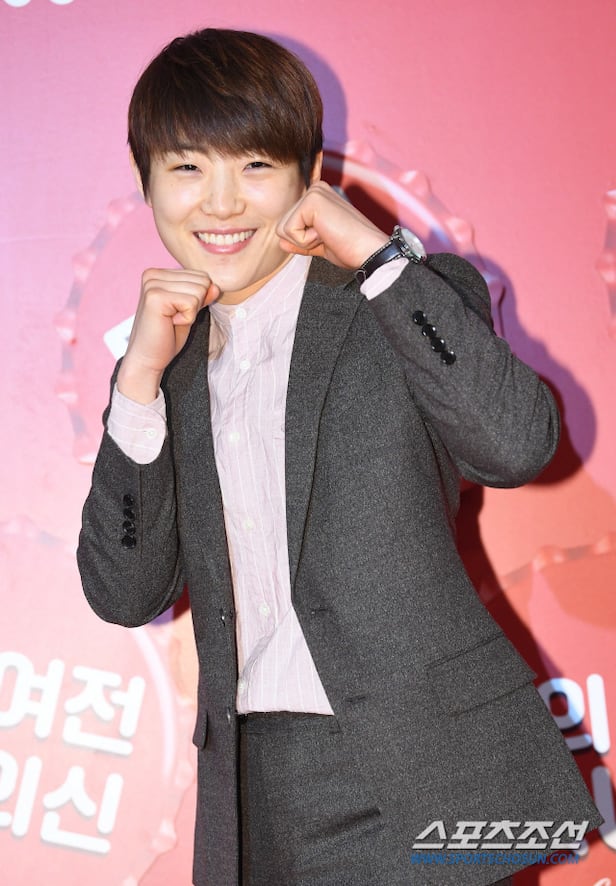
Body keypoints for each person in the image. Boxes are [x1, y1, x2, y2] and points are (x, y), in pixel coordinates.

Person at [77, 28, 601, 886]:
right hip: (249, 797)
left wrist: (376, 259)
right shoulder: (164, 368)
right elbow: (125, 592)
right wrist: (136, 383)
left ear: (308, 173)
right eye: (187, 168)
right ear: (146, 183)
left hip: (417, 774)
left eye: (254, 165)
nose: (221, 203)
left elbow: (516, 446)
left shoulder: (401, 298)